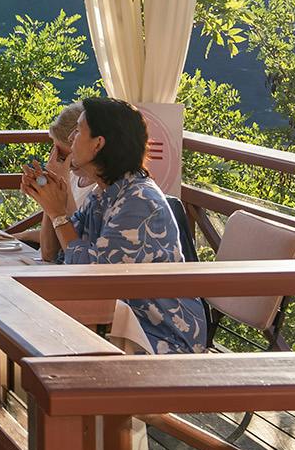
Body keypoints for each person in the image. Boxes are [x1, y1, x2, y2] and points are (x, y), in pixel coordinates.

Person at [23, 96, 207, 355]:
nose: (72, 139)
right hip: (114, 324)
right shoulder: (105, 194)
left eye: (79, 132)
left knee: (35, 334)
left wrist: (58, 214)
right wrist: (49, 201)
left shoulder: (139, 202)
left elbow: (90, 277)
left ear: (98, 144)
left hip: (158, 335)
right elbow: (55, 254)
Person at [16, 102, 88, 244]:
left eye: (61, 154)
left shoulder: (102, 188)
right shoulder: (73, 176)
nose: (53, 160)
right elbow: (49, 250)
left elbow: (80, 240)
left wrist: (62, 186)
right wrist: (47, 196)